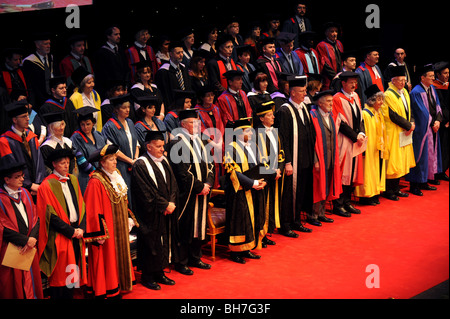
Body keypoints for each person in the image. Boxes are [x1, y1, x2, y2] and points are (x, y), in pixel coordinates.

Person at [84, 144, 139, 296]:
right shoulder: (96, 181)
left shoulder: (117, 174)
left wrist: (128, 217)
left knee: (121, 254)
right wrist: (98, 233)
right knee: (108, 259)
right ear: (102, 162)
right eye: (111, 159)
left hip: (120, 226)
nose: (115, 162)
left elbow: (122, 199)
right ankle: (108, 287)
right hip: (107, 230)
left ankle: (121, 283)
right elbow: (92, 209)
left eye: (115, 158)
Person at [167, 108, 215, 274]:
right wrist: (200, 187)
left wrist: (208, 183)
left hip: (202, 192)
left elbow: (210, 165)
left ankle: (196, 257)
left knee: (198, 227)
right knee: (186, 227)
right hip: (186, 194)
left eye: (197, 122)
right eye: (193, 123)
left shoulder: (200, 141)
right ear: (183, 125)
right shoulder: (177, 143)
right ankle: (182, 262)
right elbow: (182, 172)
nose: (197, 125)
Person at [131, 131, 178, 290]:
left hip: (165, 211)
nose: (162, 149)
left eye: (162, 146)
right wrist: (164, 205)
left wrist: (171, 202)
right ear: (148, 147)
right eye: (158, 146)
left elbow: (172, 184)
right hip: (149, 213)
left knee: (162, 242)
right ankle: (148, 276)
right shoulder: (140, 164)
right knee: (151, 243)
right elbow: (145, 192)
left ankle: (160, 272)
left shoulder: (164, 160)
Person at [37, 148, 87, 299]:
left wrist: (81, 228)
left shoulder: (73, 179)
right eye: (62, 163)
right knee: (60, 277)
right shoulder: (46, 185)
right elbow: (49, 215)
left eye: (68, 162)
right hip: (59, 235)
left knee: (72, 273)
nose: (66, 166)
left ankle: (70, 296)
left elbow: (81, 205)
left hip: (75, 232)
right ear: (54, 164)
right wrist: (70, 231)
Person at [274, 75, 315, 237]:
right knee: (289, 193)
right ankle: (285, 224)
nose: (305, 93)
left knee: (301, 190)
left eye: (305, 90)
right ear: (292, 93)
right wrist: (288, 162)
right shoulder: (285, 111)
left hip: (304, 158)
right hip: (292, 160)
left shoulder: (304, 107)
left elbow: (309, 132)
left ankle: (297, 220)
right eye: (302, 91)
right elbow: (282, 139)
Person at [223, 117, 267, 263]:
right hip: (239, 192)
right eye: (248, 130)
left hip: (254, 188)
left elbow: (261, 165)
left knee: (252, 219)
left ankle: (248, 248)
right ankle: (236, 252)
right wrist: (252, 182)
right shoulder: (231, 148)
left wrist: (262, 181)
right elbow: (233, 172)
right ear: (239, 133)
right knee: (240, 221)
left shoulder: (253, 146)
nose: (252, 133)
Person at [0, 159, 43, 299]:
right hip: (12, 249)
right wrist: (25, 240)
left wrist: (33, 239)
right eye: (17, 177)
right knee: (15, 286)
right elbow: (2, 228)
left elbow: (36, 219)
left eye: (22, 176)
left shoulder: (25, 193)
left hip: (29, 247)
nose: (22, 179)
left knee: (32, 282)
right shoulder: (1, 199)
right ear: (7, 179)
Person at [332, 71, 366, 216]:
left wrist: (362, 132)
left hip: (355, 141)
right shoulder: (337, 99)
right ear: (343, 83)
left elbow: (360, 117)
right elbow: (340, 122)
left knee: (351, 172)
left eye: (355, 82)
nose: (354, 85)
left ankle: (347, 202)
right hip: (343, 140)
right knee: (342, 172)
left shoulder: (356, 97)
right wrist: (355, 135)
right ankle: (338, 204)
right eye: (351, 82)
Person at [381, 65, 416, 200]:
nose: (403, 83)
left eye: (404, 80)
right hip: (394, 131)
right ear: (393, 81)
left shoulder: (405, 92)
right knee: (393, 161)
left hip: (404, 130)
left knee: (401, 160)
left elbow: (409, 110)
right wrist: (408, 125)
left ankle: (396, 188)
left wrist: (411, 122)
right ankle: (389, 190)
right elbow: (392, 115)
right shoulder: (388, 94)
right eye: (400, 80)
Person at [407, 64, 443, 195]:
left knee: (429, 156)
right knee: (420, 156)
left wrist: (438, 120)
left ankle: (424, 181)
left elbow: (437, 106)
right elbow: (422, 112)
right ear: (422, 78)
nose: (433, 78)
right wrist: (433, 122)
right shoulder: (416, 92)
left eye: (433, 76)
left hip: (432, 127)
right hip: (421, 130)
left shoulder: (431, 88)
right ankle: (414, 185)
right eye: (431, 76)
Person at [0, 101, 46, 197]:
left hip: (38, 188)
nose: (28, 119)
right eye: (24, 116)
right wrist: (29, 186)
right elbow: (11, 168)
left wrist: (38, 184)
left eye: (27, 116)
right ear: (15, 120)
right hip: (18, 190)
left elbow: (39, 163)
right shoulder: (4, 141)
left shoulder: (32, 137)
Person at [308, 90, 341, 226]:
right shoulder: (313, 116)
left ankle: (321, 213)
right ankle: (313, 215)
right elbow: (310, 141)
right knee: (317, 187)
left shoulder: (331, 115)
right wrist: (315, 160)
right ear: (320, 103)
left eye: (331, 101)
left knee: (326, 184)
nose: (331, 104)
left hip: (330, 157)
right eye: (328, 101)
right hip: (319, 158)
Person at [254, 101, 285, 245]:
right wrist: (271, 172)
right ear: (261, 118)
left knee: (271, 203)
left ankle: (267, 232)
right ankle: (260, 234)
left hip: (275, 174)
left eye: (273, 114)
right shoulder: (255, 134)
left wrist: (279, 168)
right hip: (263, 176)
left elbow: (281, 153)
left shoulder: (274, 132)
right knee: (261, 206)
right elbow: (257, 159)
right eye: (269, 115)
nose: (273, 117)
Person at [101, 94, 140, 206]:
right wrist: (130, 161)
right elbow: (113, 149)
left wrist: (135, 159)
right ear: (116, 110)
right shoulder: (109, 126)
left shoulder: (130, 122)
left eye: (128, 107)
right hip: (120, 167)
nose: (127, 110)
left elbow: (136, 143)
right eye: (124, 108)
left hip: (133, 164)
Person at [355, 85, 388, 205]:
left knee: (377, 169)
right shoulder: (365, 114)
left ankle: (375, 193)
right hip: (368, 149)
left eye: (382, 99)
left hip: (378, 147)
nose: (381, 102)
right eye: (379, 99)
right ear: (372, 100)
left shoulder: (378, 113)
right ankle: (366, 196)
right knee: (368, 171)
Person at [71, 106, 107, 193]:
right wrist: (96, 172)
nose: (85, 127)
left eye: (88, 124)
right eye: (82, 124)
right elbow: (81, 160)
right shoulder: (76, 138)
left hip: (102, 174)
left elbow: (105, 152)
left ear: (93, 123)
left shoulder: (98, 135)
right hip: (87, 177)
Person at [195, 85, 225, 188]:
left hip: (219, 143)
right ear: (202, 98)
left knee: (222, 164)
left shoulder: (216, 108)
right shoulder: (197, 111)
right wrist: (211, 142)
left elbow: (220, 124)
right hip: (207, 144)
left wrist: (220, 141)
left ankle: (221, 187)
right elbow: (200, 129)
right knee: (212, 165)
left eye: (212, 95)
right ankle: (214, 189)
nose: (211, 97)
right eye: (208, 96)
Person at [155, 41, 192, 111]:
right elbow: (164, 93)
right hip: (172, 107)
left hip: (185, 106)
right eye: (178, 53)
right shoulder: (163, 71)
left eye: (182, 52)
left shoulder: (183, 68)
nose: (181, 55)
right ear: (171, 54)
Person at [22, 32, 55, 111]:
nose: (49, 46)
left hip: (53, 98)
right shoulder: (29, 62)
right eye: (45, 44)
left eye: (49, 43)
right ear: (37, 45)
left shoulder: (51, 58)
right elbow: (30, 84)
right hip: (38, 101)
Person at [93, 26, 128, 97]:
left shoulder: (120, 50)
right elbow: (102, 73)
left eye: (119, 34)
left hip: (121, 88)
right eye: (116, 34)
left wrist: (125, 86)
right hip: (109, 89)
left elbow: (125, 68)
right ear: (108, 36)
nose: (119, 36)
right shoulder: (102, 52)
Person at [70, 66, 103, 132]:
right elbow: (74, 121)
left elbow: (99, 117)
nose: (92, 84)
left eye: (93, 82)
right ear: (82, 85)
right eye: (89, 83)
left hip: (97, 133)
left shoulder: (95, 94)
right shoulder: (74, 98)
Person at [433, 61, 449, 181]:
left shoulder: (447, 85)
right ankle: (438, 171)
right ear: (438, 74)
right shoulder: (435, 87)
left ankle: (443, 170)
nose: (447, 75)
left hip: (448, 121)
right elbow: (440, 106)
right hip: (442, 122)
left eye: (448, 73)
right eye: (445, 73)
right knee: (441, 147)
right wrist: (446, 120)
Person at [316, 22, 344, 90]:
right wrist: (335, 76)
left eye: (336, 31)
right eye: (332, 31)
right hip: (329, 79)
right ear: (326, 33)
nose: (335, 34)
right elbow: (324, 64)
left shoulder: (339, 43)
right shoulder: (321, 45)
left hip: (339, 77)